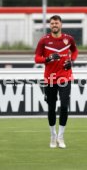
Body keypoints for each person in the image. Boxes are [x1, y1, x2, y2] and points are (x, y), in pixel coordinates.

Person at [34, 15, 78, 148]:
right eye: (52, 23)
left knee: (64, 106)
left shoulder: (69, 39)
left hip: (65, 77)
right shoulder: (44, 41)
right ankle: (53, 135)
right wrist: (47, 59)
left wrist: (71, 61)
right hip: (50, 79)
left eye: (56, 23)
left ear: (61, 25)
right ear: (49, 25)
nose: (54, 25)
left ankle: (61, 136)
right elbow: (36, 58)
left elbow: (75, 51)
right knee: (51, 108)